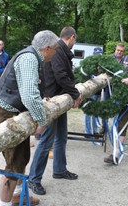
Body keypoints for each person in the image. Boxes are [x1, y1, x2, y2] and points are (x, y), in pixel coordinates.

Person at [0, 30, 59, 206]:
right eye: (55, 49)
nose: (56, 52)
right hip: (7, 114)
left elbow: (29, 92)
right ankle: (4, 204)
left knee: (21, 159)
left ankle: (18, 196)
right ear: (47, 48)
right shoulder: (29, 58)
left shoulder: (32, 56)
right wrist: (42, 121)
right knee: (13, 165)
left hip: (12, 112)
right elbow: (29, 95)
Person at [28, 26, 81, 196]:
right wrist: (75, 94)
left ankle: (59, 169)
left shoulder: (61, 50)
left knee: (61, 137)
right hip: (53, 101)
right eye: (75, 40)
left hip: (60, 100)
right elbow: (60, 75)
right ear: (71, 37)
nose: (74, 43)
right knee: (46, 141)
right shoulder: (58, 50)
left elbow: (64, 75)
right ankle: (33, 179)